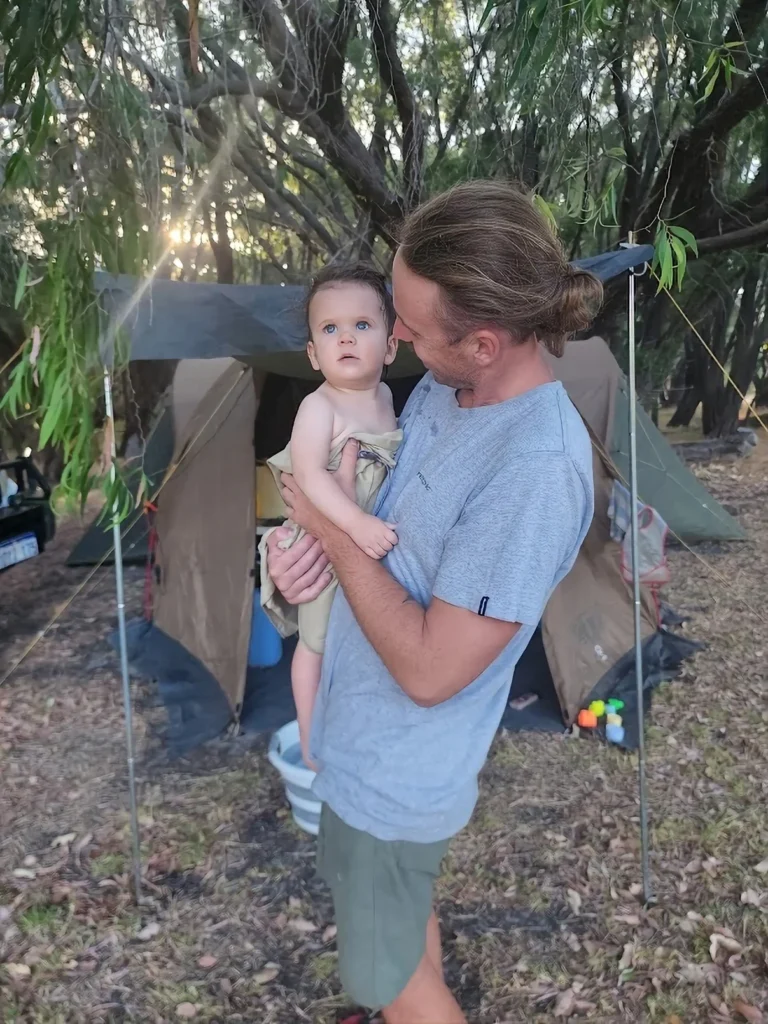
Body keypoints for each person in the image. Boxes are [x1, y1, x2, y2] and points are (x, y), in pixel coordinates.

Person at [265, 180, 603, 1024]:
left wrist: (333, 536)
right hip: (357, 744)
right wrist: (299, 551)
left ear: (484, 342)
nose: (395, 335)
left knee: (398, 985)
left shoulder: (531, 473)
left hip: (393, 780)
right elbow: (374, 523)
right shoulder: (445, 388)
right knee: (404, 926)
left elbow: (427, 670)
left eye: (409, 323)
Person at [259, 264, 401, 769]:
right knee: (315, 644)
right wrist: (357, 525)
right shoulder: (320, 408)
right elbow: (312, 479)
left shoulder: (385, 398)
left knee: (361, 636)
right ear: (314, 355)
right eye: (330, 329)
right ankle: (311, 734)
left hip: (364, 544)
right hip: (321, 539)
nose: (346, 337)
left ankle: (354, 725)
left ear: (390, 346)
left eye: (362, 325)